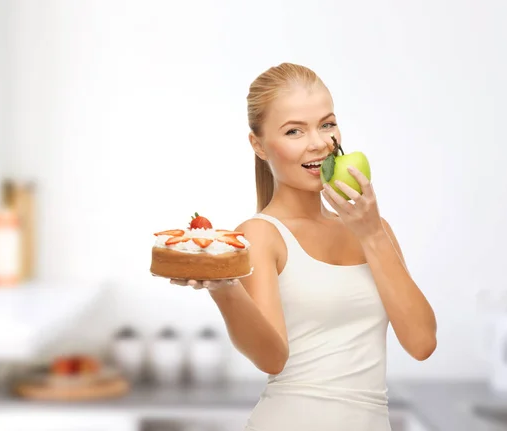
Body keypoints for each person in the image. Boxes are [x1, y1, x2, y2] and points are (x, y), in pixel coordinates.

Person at [171, 63, 437, 431]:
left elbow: (422, 343)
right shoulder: (261, 235)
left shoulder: (375, 230)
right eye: (294, 130)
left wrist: (372, 234)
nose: (318, 142)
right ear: (259, 145)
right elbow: (272, 358)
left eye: (326, 124)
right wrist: (225, 290)